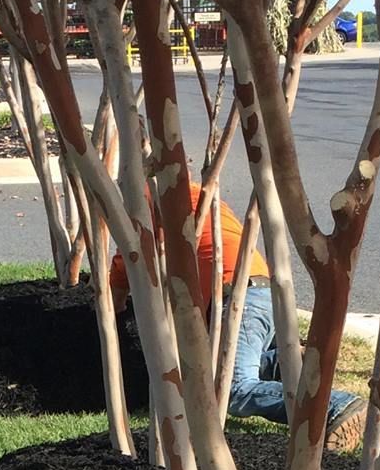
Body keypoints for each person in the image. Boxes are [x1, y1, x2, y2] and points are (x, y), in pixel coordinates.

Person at [112, 181, 365, 452]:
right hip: (265, 292)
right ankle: (283, 363)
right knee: (219, 365)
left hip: (238, 300)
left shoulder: (144, 200)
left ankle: (336, 406)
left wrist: (112, 312)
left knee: (231, 389)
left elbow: (126, 264)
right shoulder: (193, 192)